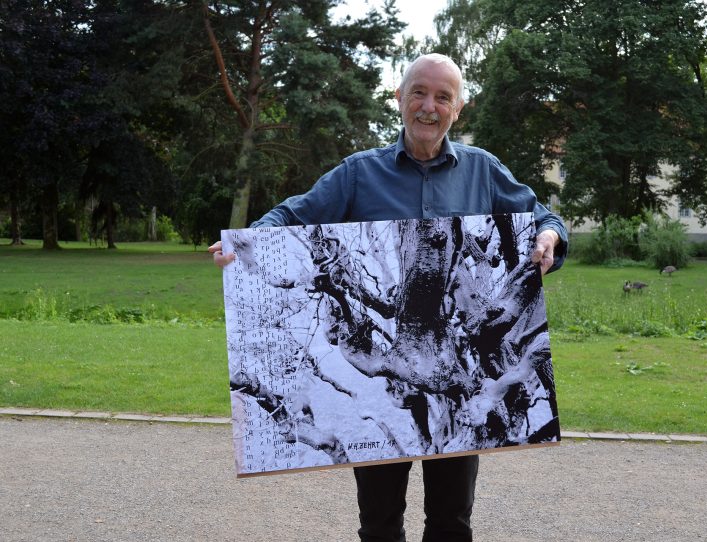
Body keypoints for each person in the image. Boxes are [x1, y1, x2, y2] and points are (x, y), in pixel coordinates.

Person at [210, 53, 568, 542]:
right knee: (378, 524)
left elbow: (545, 218)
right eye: (419, 93)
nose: (429, 106)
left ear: (458, 108)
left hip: (459, 379)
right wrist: (246, 243)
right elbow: (293, 215)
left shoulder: (483, 171)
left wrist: (549, 238)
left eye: (443, 97)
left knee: (451, 522)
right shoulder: (360, 174)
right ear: (398, 98)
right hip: (382, 383)